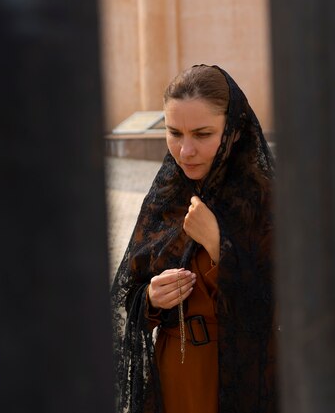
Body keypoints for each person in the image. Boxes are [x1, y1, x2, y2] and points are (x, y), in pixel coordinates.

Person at [111, 65, 276, 413]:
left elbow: (283, 303)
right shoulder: (166, 198)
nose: (185, 151)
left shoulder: (264, 200)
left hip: (241, 377)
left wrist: (220, 244)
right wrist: (152, 297)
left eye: (202, 134)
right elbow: (130, 292)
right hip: (173, 376)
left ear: (232, 131)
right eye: (174, 132)